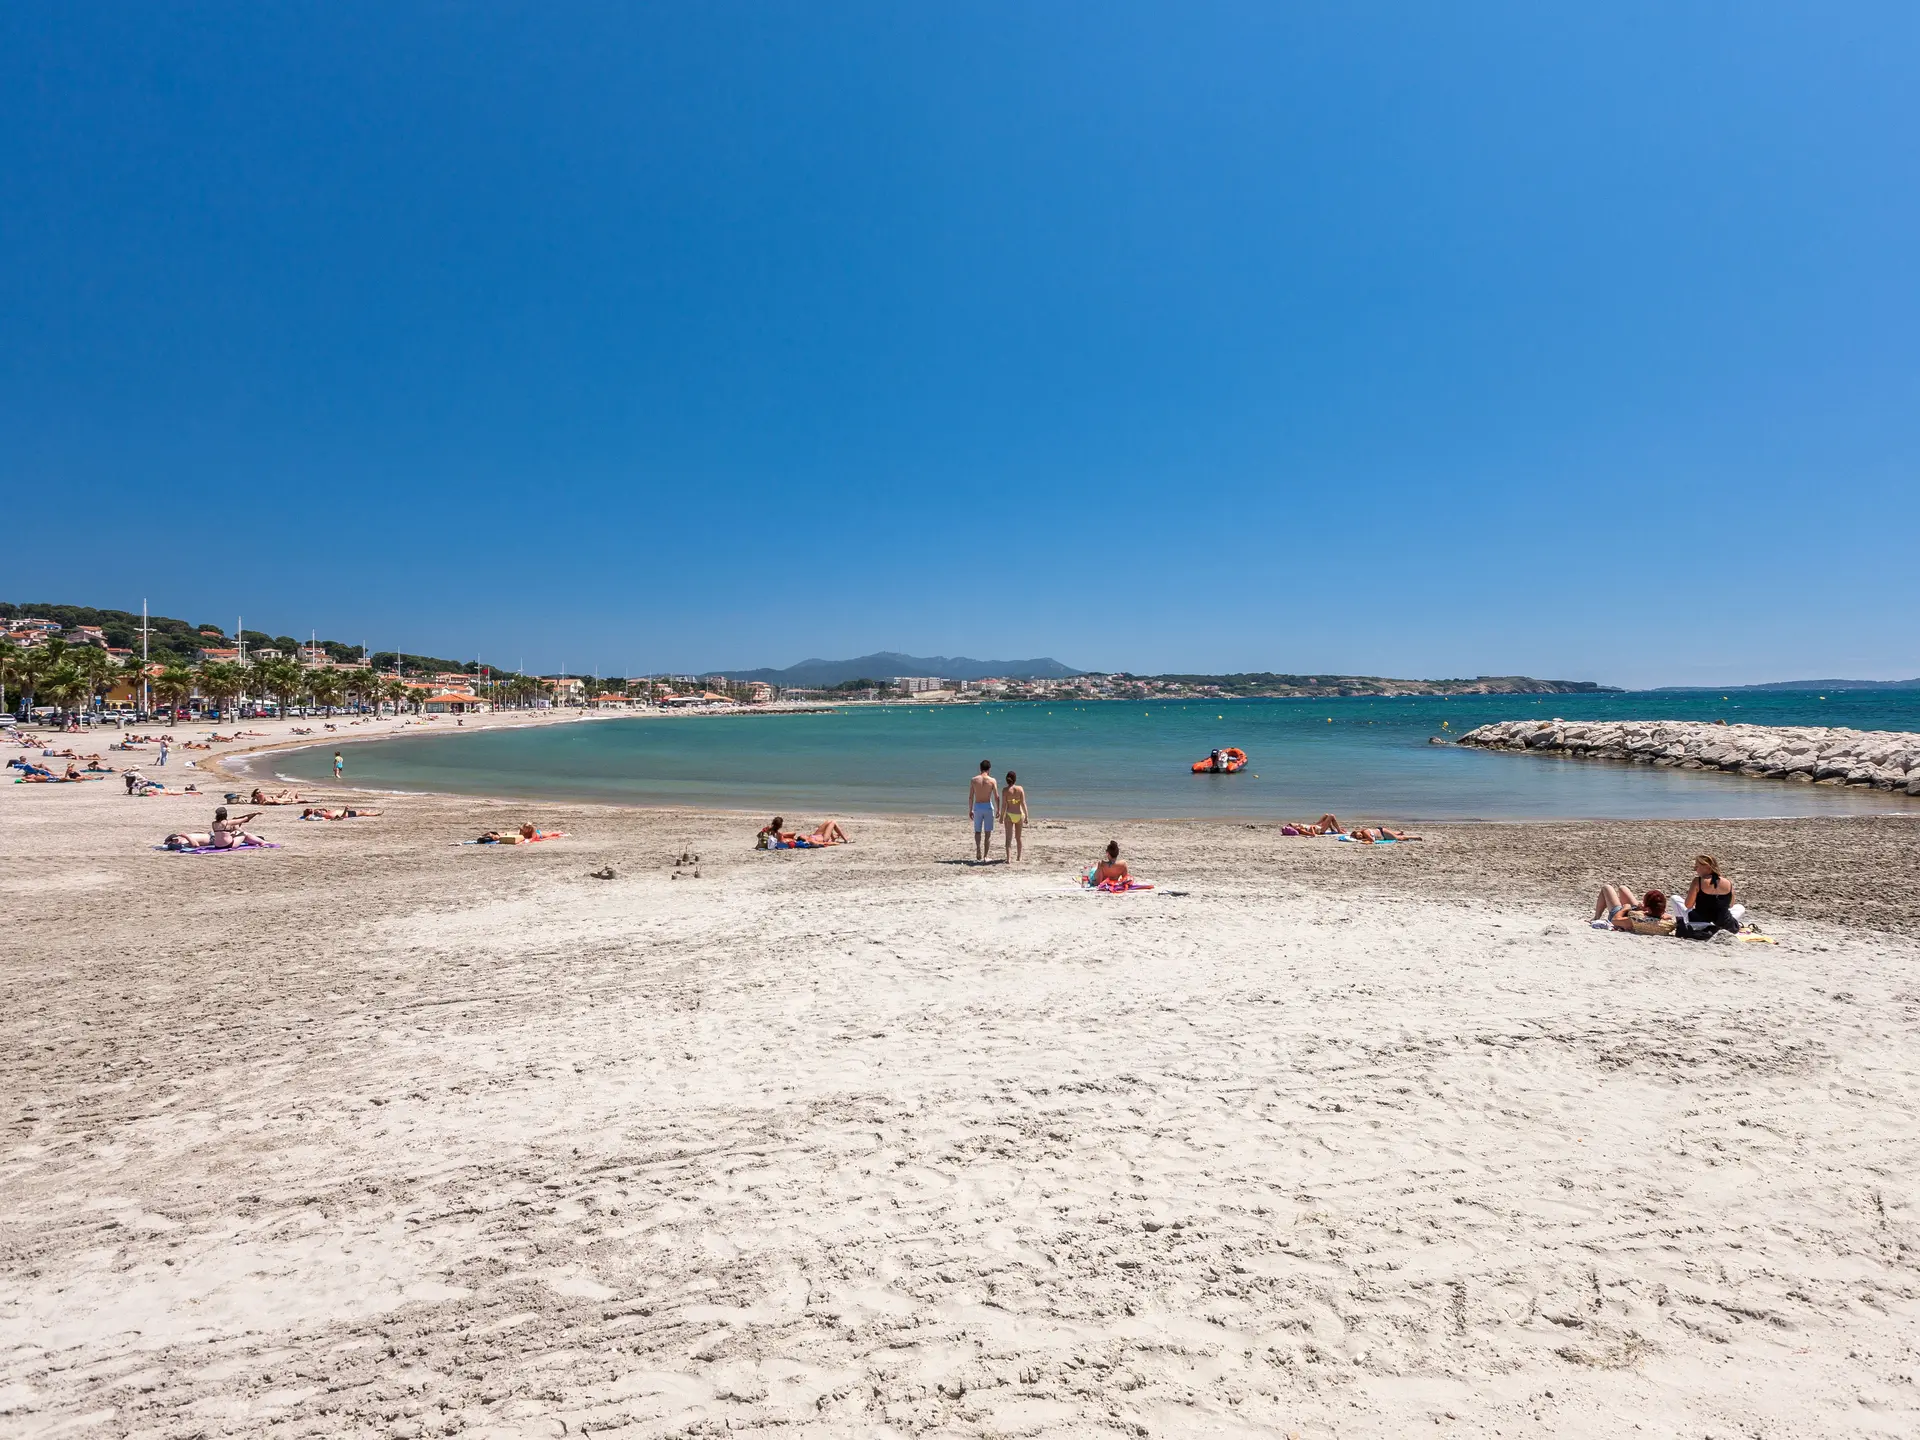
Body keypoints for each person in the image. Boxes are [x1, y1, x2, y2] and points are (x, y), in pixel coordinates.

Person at [1682, 854, 1741, 936]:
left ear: (1707, 867)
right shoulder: (1728, 883)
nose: (1695, 869)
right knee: (1740, 907)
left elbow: (1688, 905)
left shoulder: (1697, 881)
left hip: (1702, 923)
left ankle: (1680, 922)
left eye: (1697, 867)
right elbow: (1730, 905)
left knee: (1675, 899)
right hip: (1725, 924)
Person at [1592, 884, 1675, 935]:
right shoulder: (1664, 919)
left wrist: (1624, 909)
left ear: (1648, 908)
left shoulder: (1637, 920)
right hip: (1643, 911)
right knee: (1622, 888)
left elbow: (1615, 920)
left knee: (1607, 888)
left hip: (1618, 914)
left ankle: (1596, 917)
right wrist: (1642, 909)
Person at [968, 760, 999, 861]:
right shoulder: (992, 780)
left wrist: (970, 809)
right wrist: (998, 809)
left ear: (980, 768)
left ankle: (978, 849)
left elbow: (971, 797)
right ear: (989, 769)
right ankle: (985, 856)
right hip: (988, 806)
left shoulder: (974, 780)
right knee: (987, 832)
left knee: (977, 831)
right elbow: (996, 797)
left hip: (977, 806)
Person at [999, 771, 1027, 862]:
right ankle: (1019, 857)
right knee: (1018, 837)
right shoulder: (1020, 789)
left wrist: (1001, 817)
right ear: (1015, 779)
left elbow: (1003, 805)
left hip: (1009, 815)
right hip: (1019, 815)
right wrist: (1027, 816)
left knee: (1008, 838)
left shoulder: (1005, 790)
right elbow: (1023, 803)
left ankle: (1008, 859)